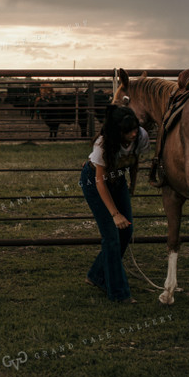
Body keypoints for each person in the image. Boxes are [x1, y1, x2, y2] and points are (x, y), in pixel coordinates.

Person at [79, 105, 150, 303]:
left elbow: (134, 161)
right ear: (116, 131)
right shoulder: (103, 145)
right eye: (128, 131)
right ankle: (119, 293)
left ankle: (96, 275)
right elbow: (99, 182)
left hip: (118, 179)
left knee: (126, 231)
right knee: (111, 236)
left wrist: (131, 186)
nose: (134, 133)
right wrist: (115, 213)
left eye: (135, 128)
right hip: (95, 182)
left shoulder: (140, 136)